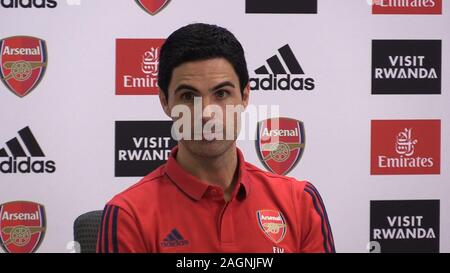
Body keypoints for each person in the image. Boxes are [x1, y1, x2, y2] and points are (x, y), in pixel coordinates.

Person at [97, 23, 335, 253]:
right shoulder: (128, 215)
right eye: (189, 97)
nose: (207, 113)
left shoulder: (300, 202)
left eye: (221, 93)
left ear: (244, 97)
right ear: (165, 102)